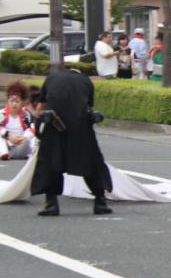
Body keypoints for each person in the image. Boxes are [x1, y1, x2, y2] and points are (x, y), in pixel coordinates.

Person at [30, 68, 113, 216]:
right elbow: (88, 105)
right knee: (92, 162)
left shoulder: (52, 78)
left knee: (50, 162)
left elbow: (41, 105)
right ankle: (100, 201)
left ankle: (51, 204)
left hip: (55, 125)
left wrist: (37, 127)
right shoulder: (86, 81)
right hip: (80, 126)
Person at [0, 82, 36, 160]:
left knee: (34, 137)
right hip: (6, 144)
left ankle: (34, 154)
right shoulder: (1, 114)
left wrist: (24, 137)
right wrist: (9, 136)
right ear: (8, 101)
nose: (14, 104)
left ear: (22, 102)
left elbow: (32, 128)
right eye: (12, 101)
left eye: (17, 101)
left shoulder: (26, 115)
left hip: (20, 144)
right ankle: (3, 154)